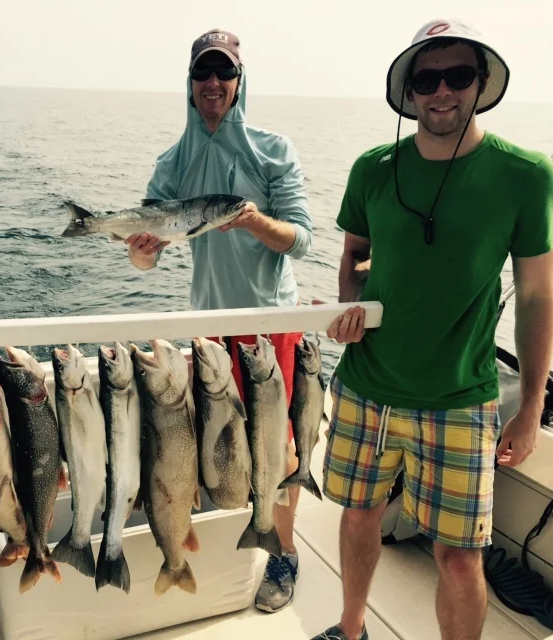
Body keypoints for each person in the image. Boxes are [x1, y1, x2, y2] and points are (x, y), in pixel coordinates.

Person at [314, 19, 553, 640]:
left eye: (457, 75)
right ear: (409, 90)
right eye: (426, 78)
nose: (441, 91)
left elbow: (536, 295)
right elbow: (356, 256)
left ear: (481, 82)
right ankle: (351, 628)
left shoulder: (526, 174)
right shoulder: (373, 168)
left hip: (459, 398)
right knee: (359, 512)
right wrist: (352, 309)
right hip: (367, 386)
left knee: (459, 556)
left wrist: (530, 406)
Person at [126, 29, 314, 614]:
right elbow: (142, 254)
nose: (213, 84)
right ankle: (220, 532)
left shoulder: (273, 150)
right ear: (190, 83)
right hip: (209, 327)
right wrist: (143, 248)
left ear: (239, 81)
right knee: (217, 439)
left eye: (223, 73)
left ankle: (281, 551)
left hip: (270, 322)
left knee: (275, 443)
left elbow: (302, 240)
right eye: (203, 74)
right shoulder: (172, 162)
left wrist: (256, 222)